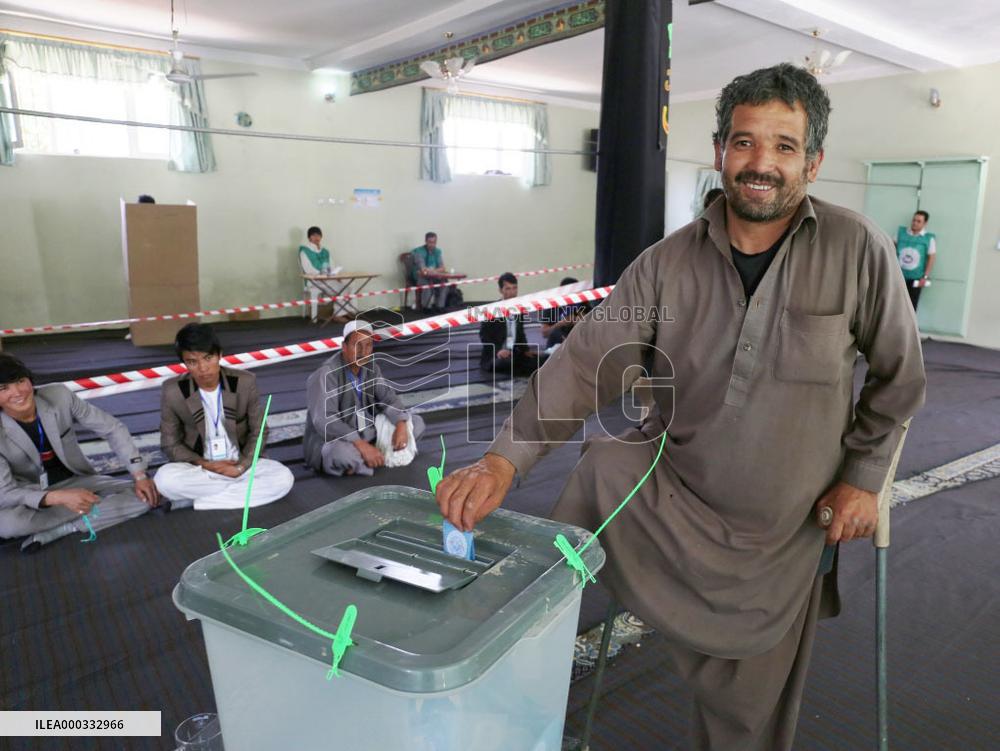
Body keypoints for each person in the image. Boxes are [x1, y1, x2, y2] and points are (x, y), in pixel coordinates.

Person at [436, 63, 926, 751]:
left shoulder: (858, 251)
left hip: (781, 530)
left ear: (812, 162)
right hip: (673, 497)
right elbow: (583, 364)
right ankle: (507, 655)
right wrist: (499, 461)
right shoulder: (666, 264)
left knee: (745, 728)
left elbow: (899, 379)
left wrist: (863, 477)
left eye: (784, 146)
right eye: (745, 142)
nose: (762, 163)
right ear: (721, 150)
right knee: (601, 467)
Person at [0, 354, 158, 553]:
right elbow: (5, 493)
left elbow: (112, 428)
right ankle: (96, 510)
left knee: (146, 495)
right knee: (9, 525)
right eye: (3, 388)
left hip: (77, 481)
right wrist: (57, 498)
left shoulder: (59, 395)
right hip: (29, 495)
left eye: (21, 381)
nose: (17, 392)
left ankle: (64, 528)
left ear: (30, 381)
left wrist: (139, 474)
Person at [154, 324, 294, 511]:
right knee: (164, 480)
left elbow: (259, 430)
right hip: (200, 469)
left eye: (208, 358)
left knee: (283, 478)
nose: (203, 368)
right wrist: (206, 464)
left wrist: (240, 467)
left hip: (240, 464)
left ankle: (195, 502)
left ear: (219, 354)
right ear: (184, 363)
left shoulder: (245, 382)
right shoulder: (173, 390)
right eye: (192, 362)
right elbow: (170, 444)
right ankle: (238, 495)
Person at [304, 320, 425, 476]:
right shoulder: (326, 374)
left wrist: (401, 424)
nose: (363, 351)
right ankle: (367, 458)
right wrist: (360, 443)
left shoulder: (371, 368)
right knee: (341, 454)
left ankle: (364, 460)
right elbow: (325, 421)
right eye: (357, 345)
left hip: (367, 433)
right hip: (336, 440)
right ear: (344, 347)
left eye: (368, 345)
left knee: (416, 423)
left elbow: (388, 399)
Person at [479, 272, 542, 377]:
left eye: (514, 288)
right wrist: (499, 350)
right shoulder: (492, 309)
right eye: (508, 289)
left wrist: (526, 350)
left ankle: (520, 364)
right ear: (500, 290)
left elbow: (520, 333)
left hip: (515, 352)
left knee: (541, 360)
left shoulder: (519, 309)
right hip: (496, 355)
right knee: (508, 363)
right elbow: (484, 336)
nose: (512, 292)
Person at [894, 210, 936, 310]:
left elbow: (932, 258)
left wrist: (925, 277)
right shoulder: (901, 233)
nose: (915, 223)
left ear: (925, 223)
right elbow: (891, 248)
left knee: (912, 305)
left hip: (916, 277)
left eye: (918, 221)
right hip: (899, 275)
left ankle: (909, 326)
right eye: (914, 220)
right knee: (895, 302)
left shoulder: (928, 238)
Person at [539, 277, 589, 353]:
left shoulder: (582, 303)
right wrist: (561, 323)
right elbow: (544, 333)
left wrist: (581, 321)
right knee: (555, 332)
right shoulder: (552, 305)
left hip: (579, 344)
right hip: (556, 346)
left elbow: (592, 327)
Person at [411, 232, 452, 311]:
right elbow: (423, 270)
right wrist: (435, 271)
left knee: (444, 284)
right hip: (420, 277)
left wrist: (432, 270)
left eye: (434, 242)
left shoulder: (437, 251)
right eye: (430, 242)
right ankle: (426, 307)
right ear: (426, 241)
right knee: (427, 284)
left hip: (434, 276)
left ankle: (440, 306)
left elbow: (442, 268)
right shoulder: (419, 251)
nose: (432, 244)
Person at [299, 226, 333, 321]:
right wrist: (322, 274)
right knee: (339, 288)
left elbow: (332, 266)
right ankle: (338, 314)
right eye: (314, 235)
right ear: (309, 237)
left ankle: (344, 313)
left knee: (347, 287)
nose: (317, 238)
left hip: (328, 280)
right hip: (314, 281)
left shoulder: (325, 251)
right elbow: (308, 269)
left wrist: (333, 274)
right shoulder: (304, 251)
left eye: (319, 235)